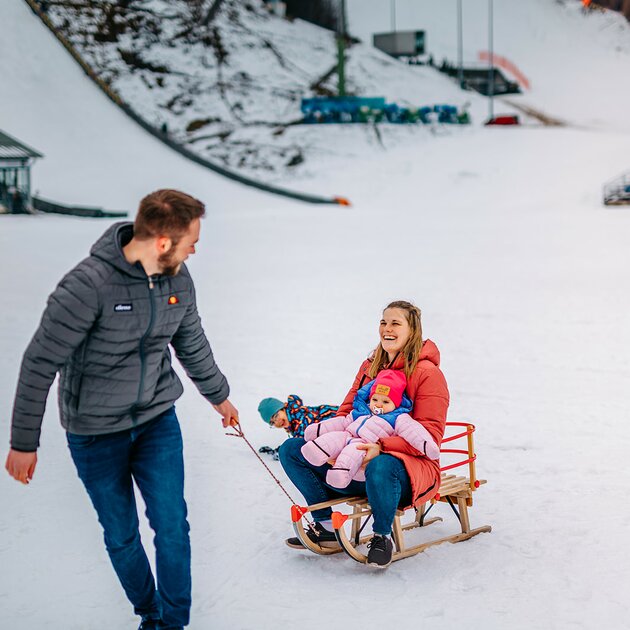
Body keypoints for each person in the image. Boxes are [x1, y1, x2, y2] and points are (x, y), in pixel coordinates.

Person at [5, 189, 239, 630]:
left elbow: (191, 343)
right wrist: (23, 443)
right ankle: (149, 613)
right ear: (164, 242)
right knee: (122, 534)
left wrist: (219, 396)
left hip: (156, 421)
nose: (196, 247)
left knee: (172, 527)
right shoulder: (87, 286)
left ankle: (172, 624)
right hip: (94, 432)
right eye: (191, 239)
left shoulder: (178, 280)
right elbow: (40, 362)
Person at [279, 300, 449, 569]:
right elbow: (346, 411)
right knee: (292, 449)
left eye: (395, 323)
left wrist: (381, 447)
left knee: (381, 464)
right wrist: (334, 446)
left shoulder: (428, 374)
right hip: (352, 465)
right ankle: (324, 526)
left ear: (412, 330)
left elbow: (430, 436)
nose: (387, 329)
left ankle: (382, 537)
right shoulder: (370, 366)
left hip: (402, 474)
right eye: (383, 322)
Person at [300, 369, 439, 489]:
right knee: (334, 437)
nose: (378, 405)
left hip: (364, 446)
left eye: (385, 402)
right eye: (375, 400)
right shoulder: (362, 411)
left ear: (396, 404)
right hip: (347, 435)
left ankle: (340, 474)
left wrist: (427, 445)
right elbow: (343, 422)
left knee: (351, 452)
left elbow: (413, 431)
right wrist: (319, 429)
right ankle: (316, 451)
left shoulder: (397, 418)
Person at [257, 395, 338, 460]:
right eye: (272, 422)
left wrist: (281, 451)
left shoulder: (302, 416)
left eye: (276, 416)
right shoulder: (294, 423)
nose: (277, 422)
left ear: (283, 408)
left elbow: (303, 442)